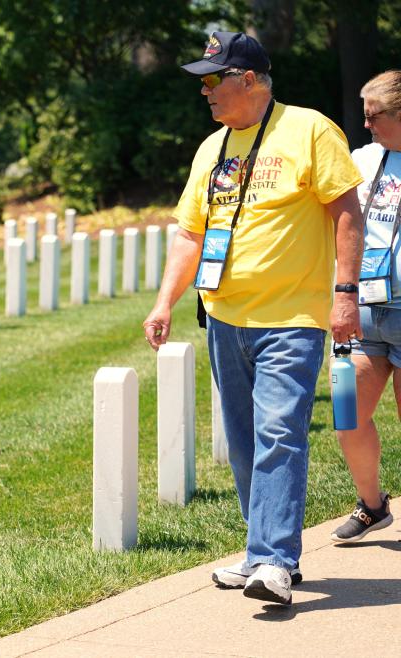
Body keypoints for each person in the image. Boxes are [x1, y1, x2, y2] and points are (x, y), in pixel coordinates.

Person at [142, 31, 364, 605]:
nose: (205, 92)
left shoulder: (310, 129)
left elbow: (346, 210)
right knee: (243, 443)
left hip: (291, 314)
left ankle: (274, 560)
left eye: (214, 80)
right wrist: (165, 300)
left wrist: (344, 294)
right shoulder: (211, 147)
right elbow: (191, 232)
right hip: (224, 317)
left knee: (278, 433)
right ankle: (259, 550)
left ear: (250, 80)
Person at [329, 71, 401, 543]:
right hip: (366, 310)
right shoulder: (362, 160)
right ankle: (373, 504)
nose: (367, 125)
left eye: (374, 116)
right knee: (346, 410)